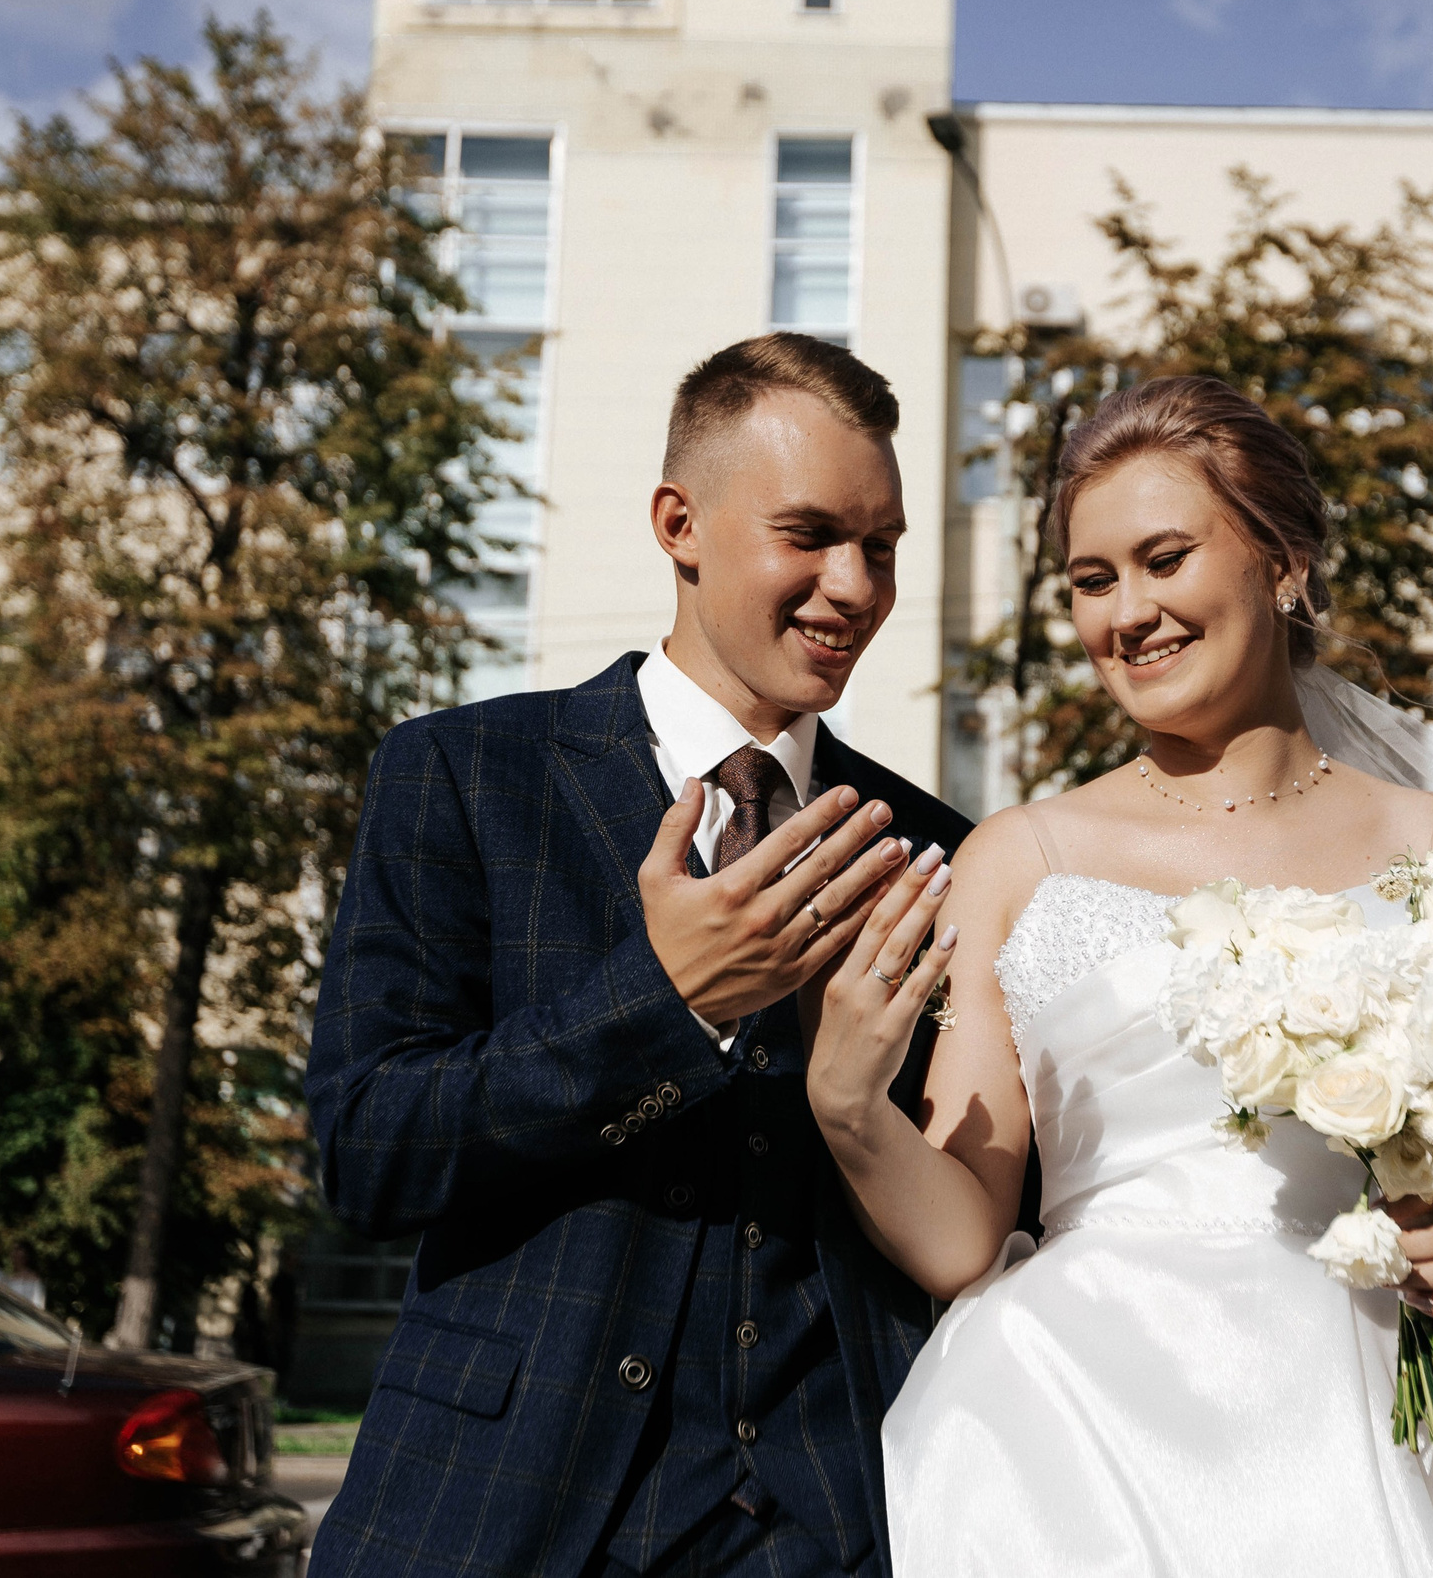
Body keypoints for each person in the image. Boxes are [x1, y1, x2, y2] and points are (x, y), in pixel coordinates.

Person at [809, 379, 1433, 1576]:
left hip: (1405, 1449)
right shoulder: (1016, 859)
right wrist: (846, 1109)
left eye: (1164, 559)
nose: (1127, 614)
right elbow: (959, 1242)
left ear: (1283, 563)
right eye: (1093, 582)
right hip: (1082, 1430)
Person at [305, 333, 972, 1578]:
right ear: (680, 523)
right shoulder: (462, 776)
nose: (855, 586)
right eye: (810, 534)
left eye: (880, 548)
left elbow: (988, 1198)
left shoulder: (935, 849)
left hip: (843, 1521)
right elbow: (368, 1150)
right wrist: (663, 1004)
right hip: (509, 1513)